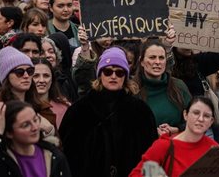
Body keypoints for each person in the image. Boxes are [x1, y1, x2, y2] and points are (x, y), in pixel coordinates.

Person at [60, 47, 157, 177]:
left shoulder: (141, 111)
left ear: (126, 76)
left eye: (119, 72)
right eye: (107, 71)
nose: (113, 76)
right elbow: (67, 154)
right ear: (100, 74)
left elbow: (151, 155)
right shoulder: (78, 111)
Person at [0, 46, 56, 172]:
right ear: (7, 77)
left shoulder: (42, 108)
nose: (26, 76)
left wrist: (50, 131)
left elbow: (58, 154)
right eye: (19, 72)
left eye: (30, 71)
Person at [0, 100, 72, 177]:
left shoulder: (54, 156)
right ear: (9, 133)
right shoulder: (1, 159)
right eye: (25, 125)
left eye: (35, 120)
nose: (35, 127)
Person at [130, 96, 219, 177]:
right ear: (185, 115)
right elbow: (136, 175)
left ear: (211, 121)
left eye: (206, 116)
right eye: (196, 113)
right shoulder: (164, 146)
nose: (200, 119)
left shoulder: (214, 149)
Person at [133, 39, 192, 135]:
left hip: (175, 145)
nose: (157, 62)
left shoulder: (179, 86)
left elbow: (193, 119)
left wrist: (176, 129)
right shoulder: (132, 89)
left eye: (161, 58)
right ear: (142, 62)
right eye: (152, 57)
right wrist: (151, 132)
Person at [32, 57, 71, 128]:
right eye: (36, 76)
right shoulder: (22, 107)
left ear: (52, 79)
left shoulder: (64, 108)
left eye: (46, 76)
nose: (41, 80)